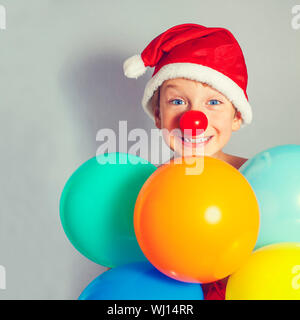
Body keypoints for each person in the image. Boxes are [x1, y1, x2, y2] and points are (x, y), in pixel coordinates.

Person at [123, 23, 252, 300]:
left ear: (237, 116)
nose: (194, 120)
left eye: (214, 103)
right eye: (178, 101)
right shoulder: (145, 191)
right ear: (158, 115)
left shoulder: (257, 178)